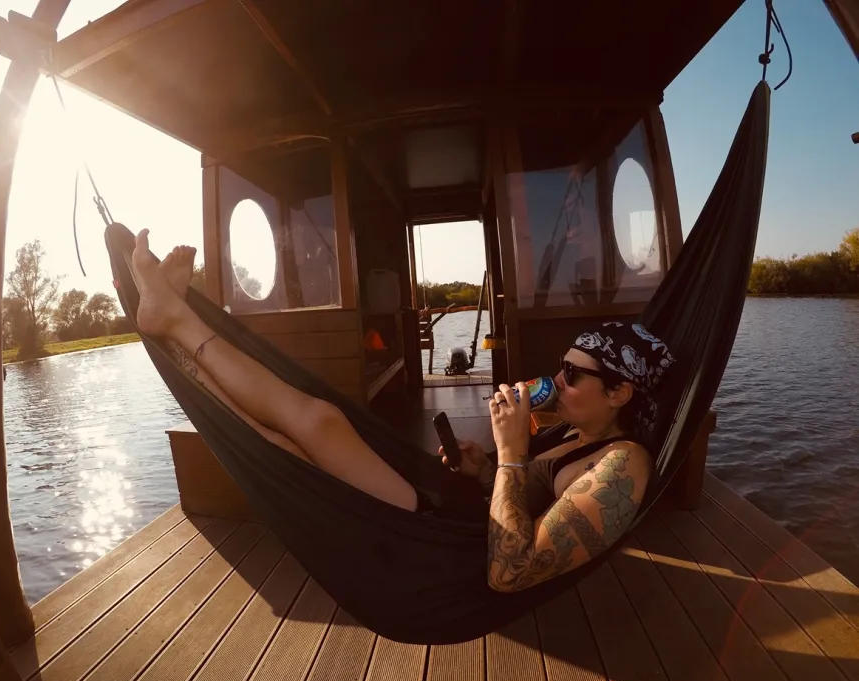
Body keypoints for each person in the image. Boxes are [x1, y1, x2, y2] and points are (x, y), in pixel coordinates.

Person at [130, 229, 674, 595]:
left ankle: (175, 322)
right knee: (302, 437)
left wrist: (508, 453)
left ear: (621, 393)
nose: (558, 380)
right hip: (447, 518)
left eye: (575, 375)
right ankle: (176, 327)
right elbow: (525, 489)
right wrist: (483, 467)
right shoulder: (572, 429)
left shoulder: (625, 466)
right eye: (562, 366)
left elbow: (512, 571)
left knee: (305, 439)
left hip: (441, 555)